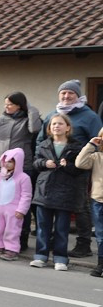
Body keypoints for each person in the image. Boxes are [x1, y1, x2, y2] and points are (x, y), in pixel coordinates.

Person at [38, 80, 102, 258]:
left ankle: (83, 243)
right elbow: (40, 140)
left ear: (78, 95)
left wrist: (84, 163)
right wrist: (42, 159)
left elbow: (98, 142)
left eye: (70, 93)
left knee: (80, 204)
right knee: (51, 204)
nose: (66, 96)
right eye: (63, 93)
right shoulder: (53, 115)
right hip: (53, 170)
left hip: (78, 169)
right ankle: (51, 241)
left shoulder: (90, 117)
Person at [0, 92, 42, 252]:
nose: (6, 107)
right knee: (0, 204)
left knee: (19, 206)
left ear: (19, 105)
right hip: (0, 165)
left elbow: (35, 128)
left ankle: (21, 240)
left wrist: (30, 108)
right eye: (5, 104)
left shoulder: (27, 120)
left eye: (10, 104)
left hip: (23, 166)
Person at [30, 114, 85, 271]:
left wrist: (67, 165)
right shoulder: (44, 145)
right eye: (53, 124)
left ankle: (60, 258)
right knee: (43, 226)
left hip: (65, 191)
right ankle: (41, 256)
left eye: (60, 124)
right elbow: (35, 163)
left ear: (68, 127)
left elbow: (81, 168)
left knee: (62, 228)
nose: (56, 126)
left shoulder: (76, 147)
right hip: (44, 190)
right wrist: (44, 163)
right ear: (49, 128)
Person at [0, 148, 32, 262]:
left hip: (13, 210)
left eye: (11, 161)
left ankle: (11, 249)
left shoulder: (23, 178)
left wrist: (21, 209)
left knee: (12, 229)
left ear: (18, 162)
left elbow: (26, 195)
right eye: (5, 160)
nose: (7, 163)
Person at [74, 126, 103, 277]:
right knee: (100, 234)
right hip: (98, 200)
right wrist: (91, 145)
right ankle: (101, 264)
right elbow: (80, 163)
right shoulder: (97, 157)